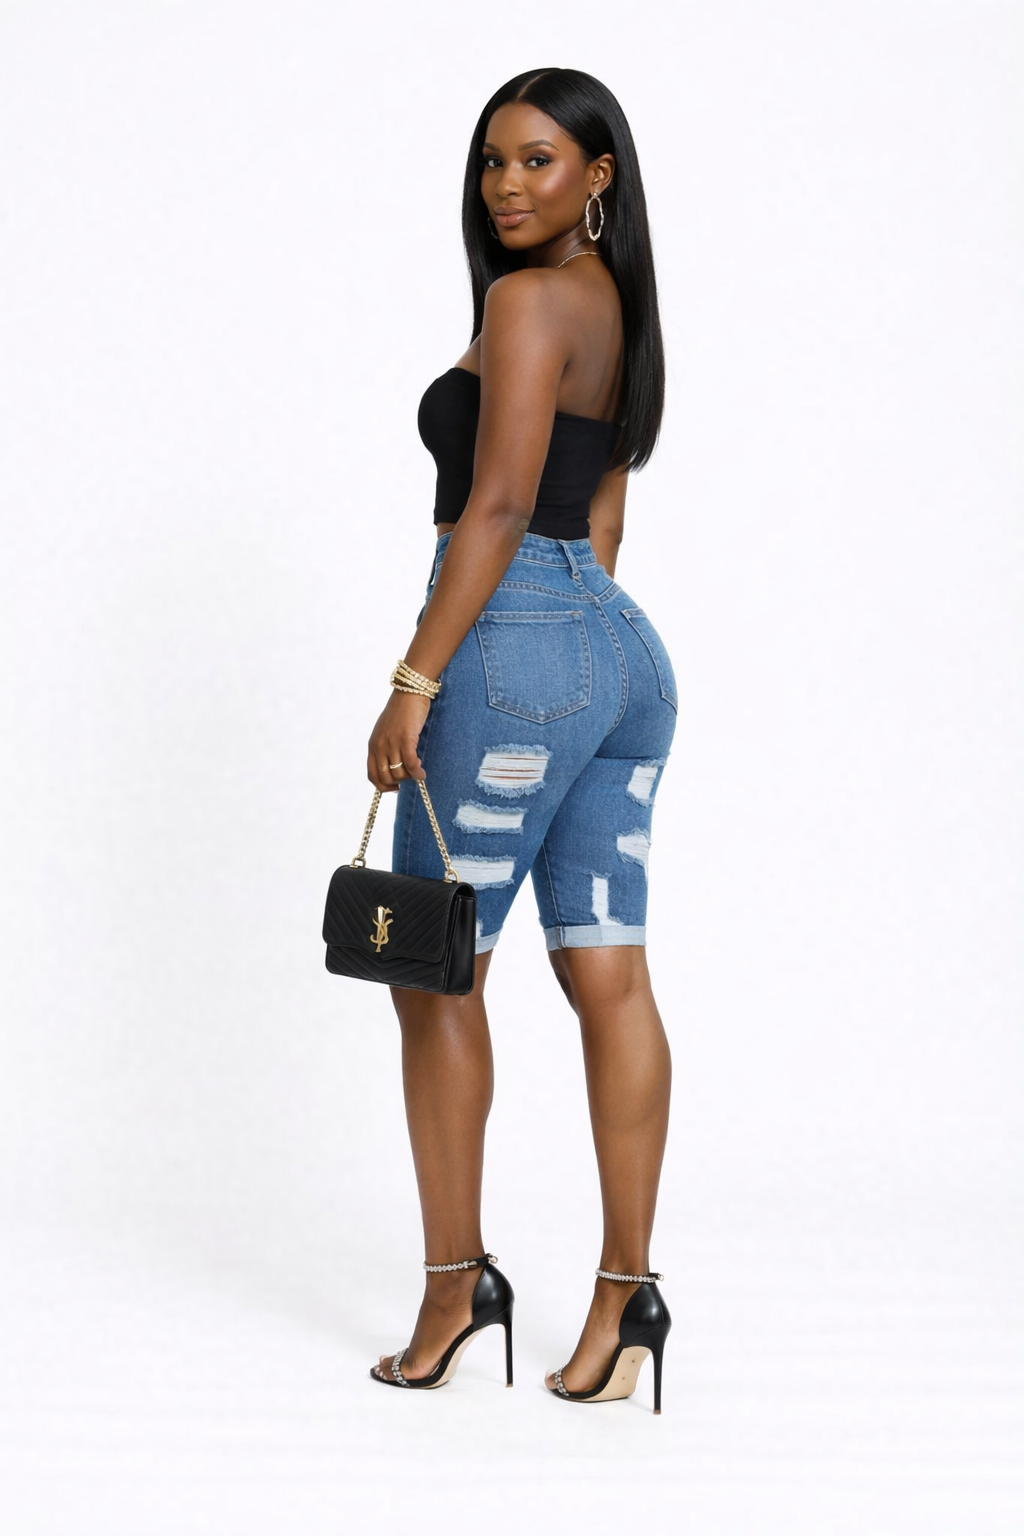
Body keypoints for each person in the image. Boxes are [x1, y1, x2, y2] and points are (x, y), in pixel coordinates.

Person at [366, 68, 677, 1413]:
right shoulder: (614, 308)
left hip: (508, 645)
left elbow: (496, 508)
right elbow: (600, 518)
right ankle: (627, 1298)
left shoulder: (527, 302)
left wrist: (417, 676)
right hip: (619, 654)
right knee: (609, 972)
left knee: (435, 971)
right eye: (493, 160)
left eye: (538, 160)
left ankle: (455, 1288)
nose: (505, 184)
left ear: (597, 176)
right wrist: (574, 654)